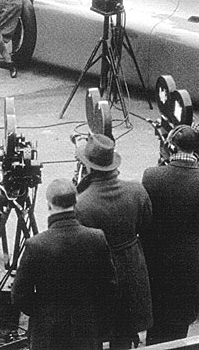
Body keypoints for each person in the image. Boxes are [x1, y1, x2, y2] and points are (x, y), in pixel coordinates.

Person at [141, 125, 199, 344]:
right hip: (189, 267)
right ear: (197, 152)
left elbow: (144, 215)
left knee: (157, 320)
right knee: (179, 323)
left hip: (155, 263)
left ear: (170, 147)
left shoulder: (151, 176)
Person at [13, 178, 117, 350]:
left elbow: (19, 295)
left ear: (49, 205)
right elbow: (109, 287)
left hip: (48, 333)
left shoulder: (36, 245)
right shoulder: (96, 238)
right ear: (76, 201)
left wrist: (43, 313)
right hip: (86, 329)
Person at [74, 134, 153, 349]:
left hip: (99, 274)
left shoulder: (82, 203)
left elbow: (80, 249)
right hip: (132, 268)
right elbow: (147, 229)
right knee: (124, 332)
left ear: (88, 167)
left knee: (97, 331)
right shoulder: (137, 191)